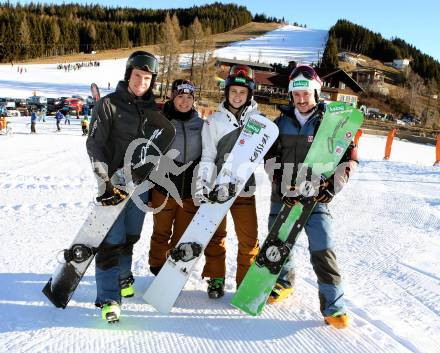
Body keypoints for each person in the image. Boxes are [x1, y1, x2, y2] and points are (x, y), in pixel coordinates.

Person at [264, 64, 358, 329]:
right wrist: (282, 183)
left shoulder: (331, 122)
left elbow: (349, 157)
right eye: (296, 94)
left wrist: (334, 185)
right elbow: (270, 158)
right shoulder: (280, 123)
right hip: (283, 197)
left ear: (316, 93)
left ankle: (334, 306)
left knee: (323, 248)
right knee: (279, 244)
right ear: (291, 95)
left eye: (306, 93)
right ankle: (284, 283)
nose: (301, 99)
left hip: (316, 198)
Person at [86, 50, 160, 323]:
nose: (142, 81)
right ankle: (109, 298)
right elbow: (94, 145)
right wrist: (104, 184)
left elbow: (157, 154)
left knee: (130, 237)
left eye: (147, 77)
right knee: (111, 241)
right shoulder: (108, 104)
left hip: (141, 187)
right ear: (129, 74)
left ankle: (123, 276)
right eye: (138, 75)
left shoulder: (154, 110)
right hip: (114, 185)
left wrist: (152, 188)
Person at [196, 65, 260, 299]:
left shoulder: (258, 121)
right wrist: (204, 183)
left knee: (249, 237)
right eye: (233, 91)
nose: (237, 96)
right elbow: (208, 155)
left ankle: (245, 282)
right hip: (217, 187)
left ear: (249, 95)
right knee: (215, 235)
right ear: (226, 92)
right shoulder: (214, 121)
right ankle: (216, 278)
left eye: (242, 93)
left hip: (244, 188)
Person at [148, 79, 206, 275]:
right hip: (162, 188)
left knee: (182, 235)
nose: (184, 101)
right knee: (161, 233)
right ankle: (157, 268)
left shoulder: (201, 125)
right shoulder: (161, 122)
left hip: (189, 191)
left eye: (189, 97)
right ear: (172, 97)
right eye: (180, 96)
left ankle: (173, 271)